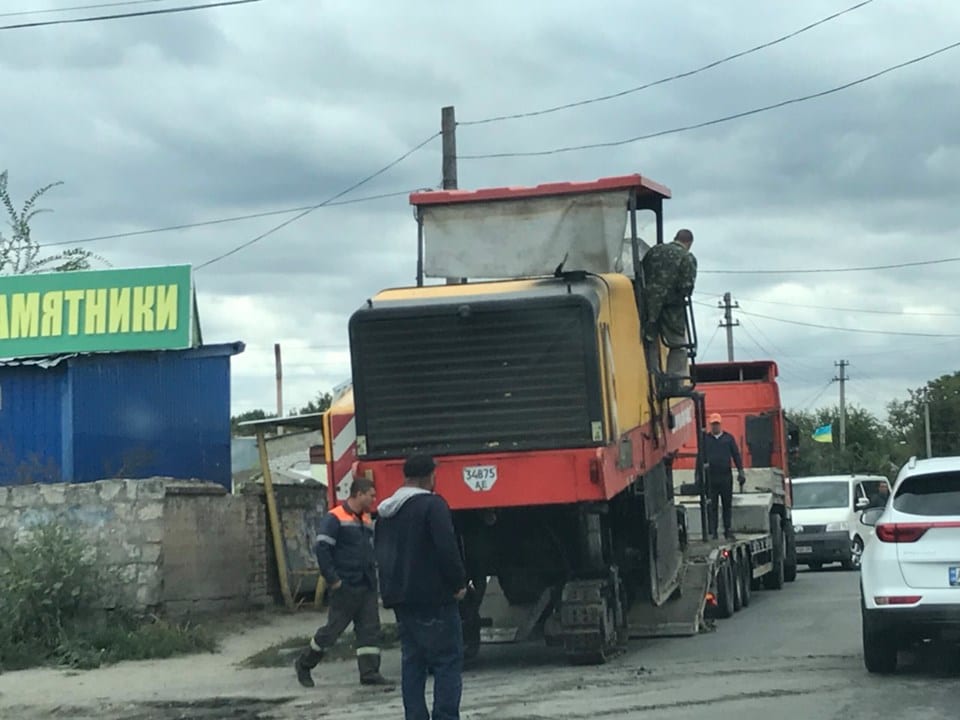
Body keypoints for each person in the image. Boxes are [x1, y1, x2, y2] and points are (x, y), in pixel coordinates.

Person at [375, 454, 467, 720]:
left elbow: (381, 554)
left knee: (413, 663)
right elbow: (446, 547)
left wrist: (389, 592)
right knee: (447, 661)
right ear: (429, 476)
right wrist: (458, 583)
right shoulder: (432, 505)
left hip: (401, 599)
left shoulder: (385, 512)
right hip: (435, 597)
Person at [295, 477, 392, 688]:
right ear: (358, 494)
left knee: (369, 630)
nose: (374, 499)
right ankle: (304, 664)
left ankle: (369, 673)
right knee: (332, 631)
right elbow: (322, 549)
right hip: (345, 585)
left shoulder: (365, 518)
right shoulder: (335, 517)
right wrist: (333, 580)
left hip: (365, 584)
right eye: (371, 495)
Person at [642, 229, 698, 380]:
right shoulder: (686, 257)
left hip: (647, 305)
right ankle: (675, 380)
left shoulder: (654, 251)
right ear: (689, 243)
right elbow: (686, 287)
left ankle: (652, 377)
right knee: (678, 345)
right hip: (671, 309)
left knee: (650, 341)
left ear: (675, 238)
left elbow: (642, 273)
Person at [703, 413, 745, 540]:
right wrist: (699, 476)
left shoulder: (728, 439)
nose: (715, 426)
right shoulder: (705, 439)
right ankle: (713, 532)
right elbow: (700, 457)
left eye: (717, 424)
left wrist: (741, 471)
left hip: (726, 477)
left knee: (727, 505)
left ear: (720, 424)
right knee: (712, 506)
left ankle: (728, 530)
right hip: (711, 478)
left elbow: (736, 455)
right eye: (713, 424)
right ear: (710, 425)